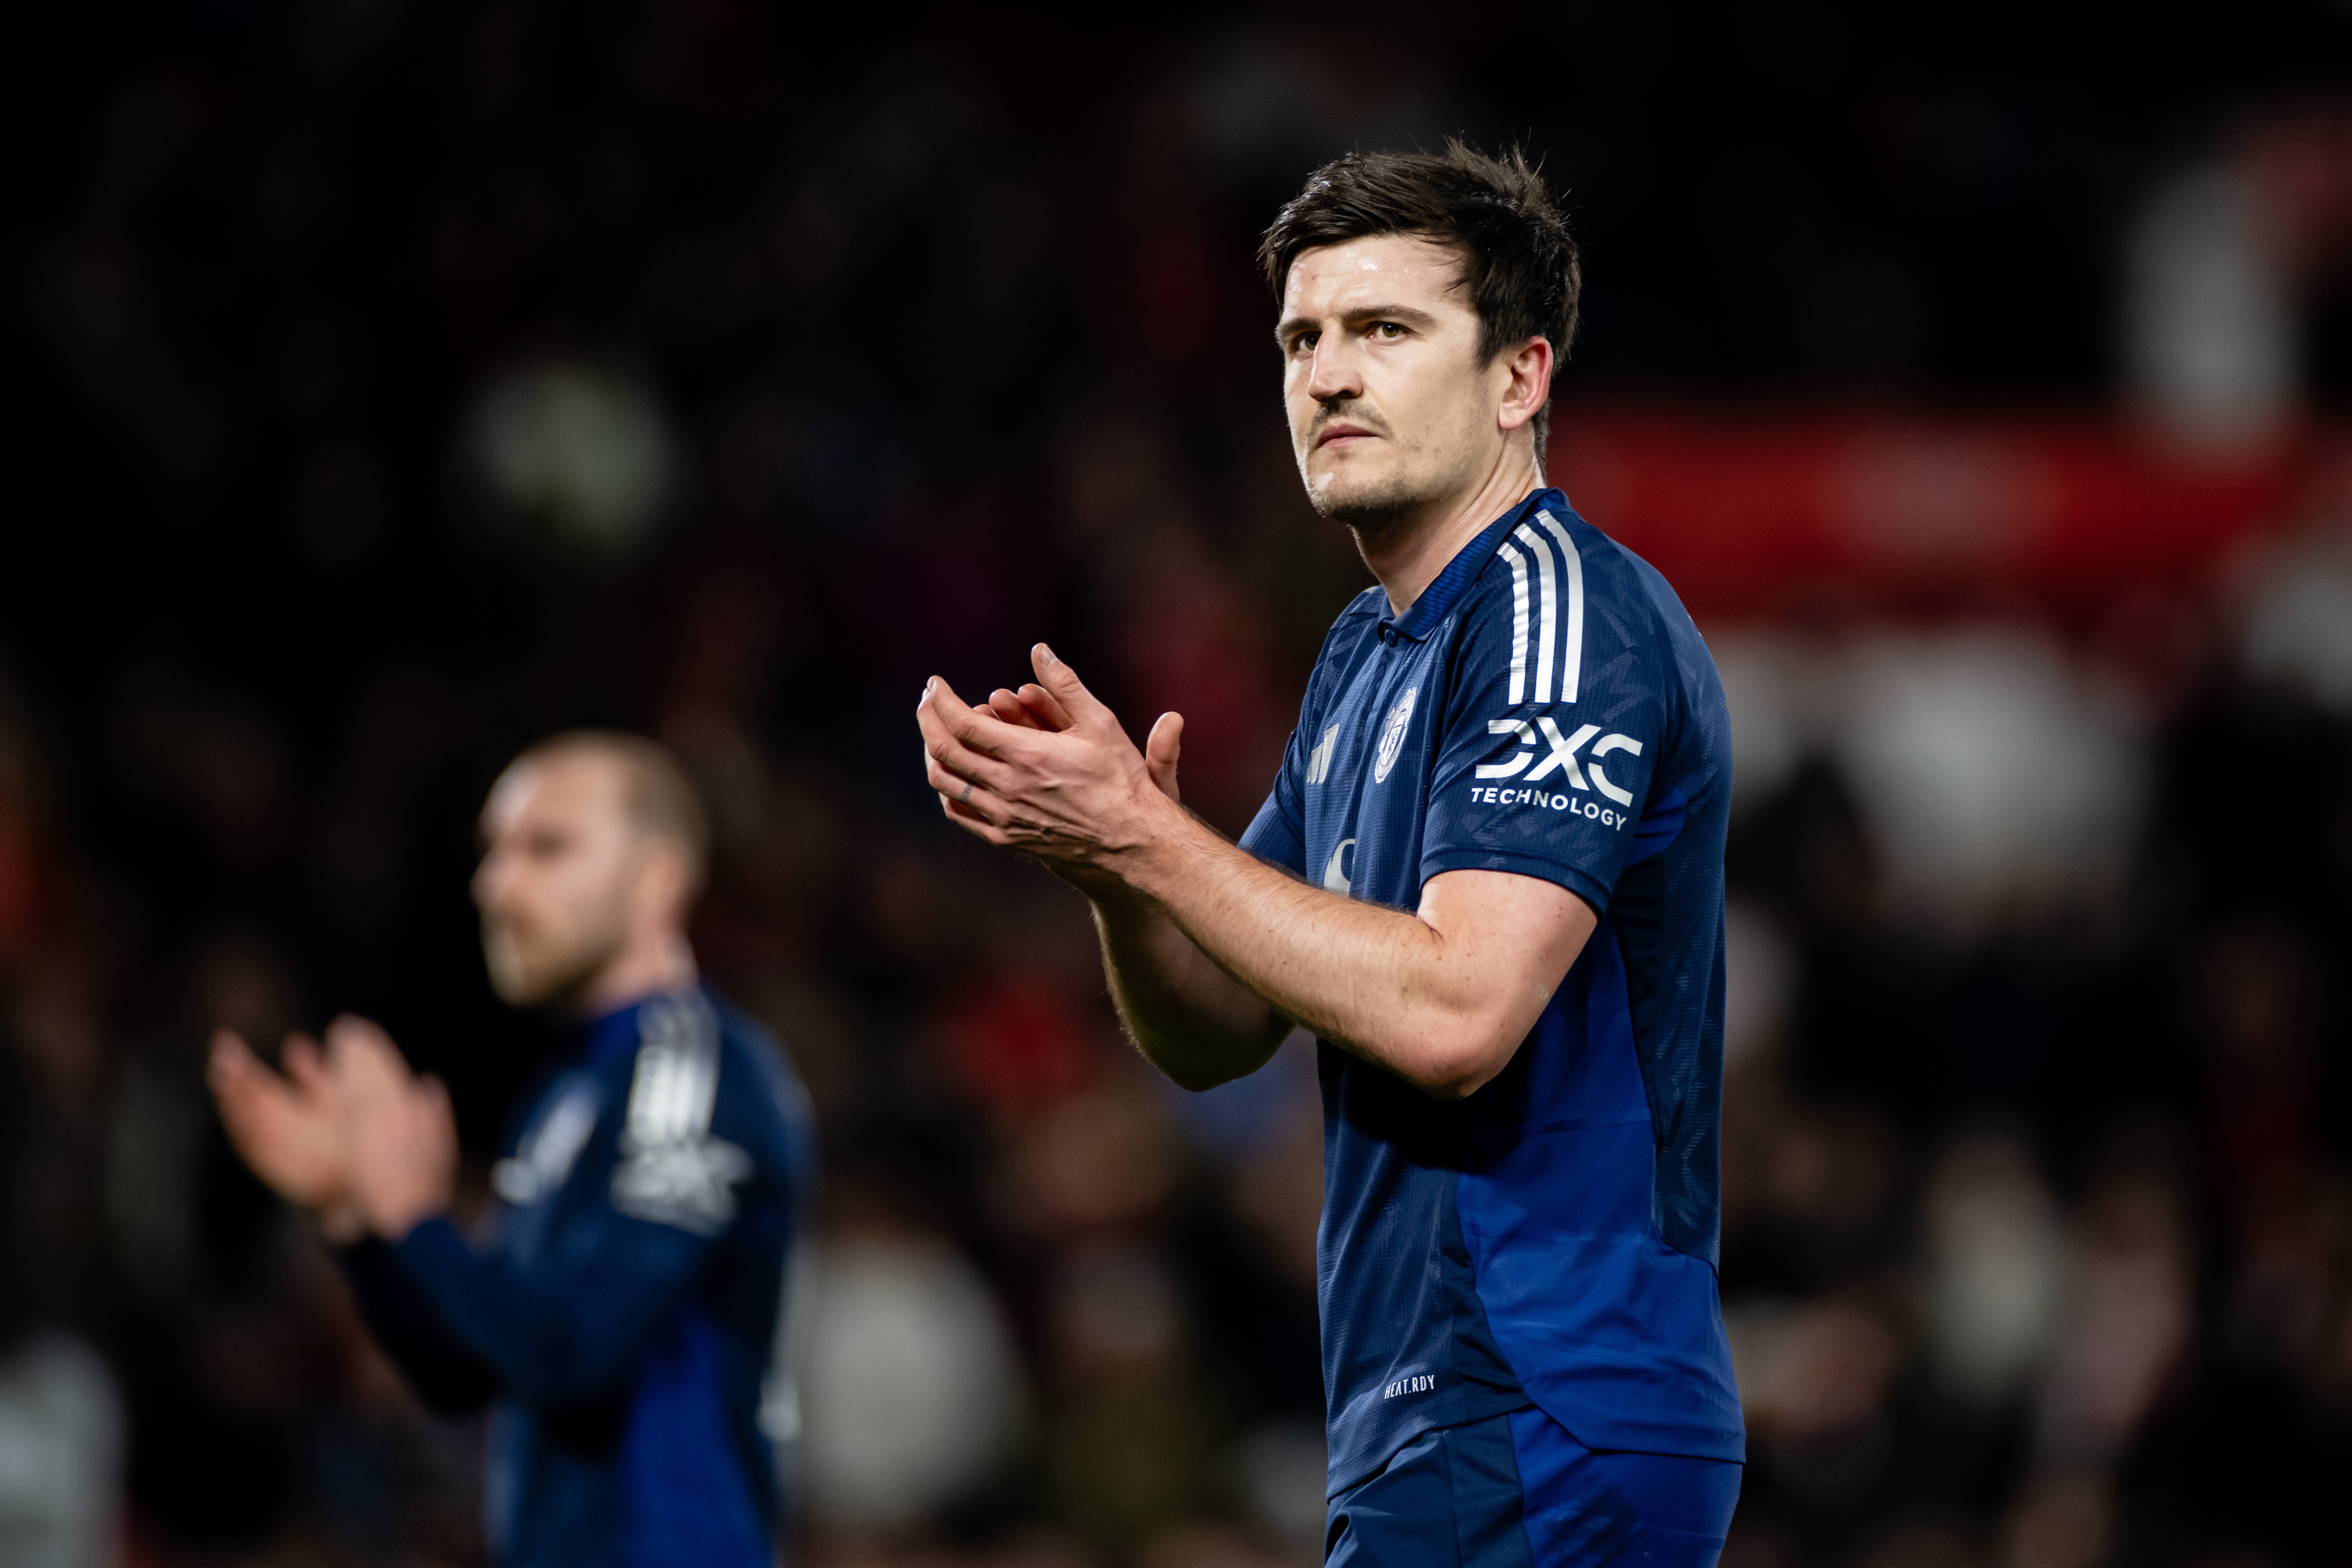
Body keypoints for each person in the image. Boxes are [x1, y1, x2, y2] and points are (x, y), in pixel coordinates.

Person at [915, 143, 1742, 1565]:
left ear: (1518, 377)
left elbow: (1454, 1011)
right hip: (1427, 1413)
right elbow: (1216, 1024)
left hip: (1540, 1396)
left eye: (1384, 330)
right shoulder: (1366, 654)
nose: (1326, 373)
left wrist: (1148, 832)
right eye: (1302, 336)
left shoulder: (1558, 618)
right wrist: (1116, 867)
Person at [209, 732, 814, 1568]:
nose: (496, 885)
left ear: (658, 877)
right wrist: (359, 1222)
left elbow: (578, 1352)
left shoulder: (686, 1070)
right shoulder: (570, 1088)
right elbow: (467, 1370)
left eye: (547, 848)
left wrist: (415, 1214)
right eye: (492, 853)